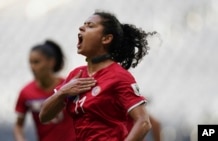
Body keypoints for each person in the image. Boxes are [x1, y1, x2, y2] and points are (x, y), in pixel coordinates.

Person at [39, 10, 157, 141]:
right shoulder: (76, 75)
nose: (81, 27)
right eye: (84, 24)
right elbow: (44, 116)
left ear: (106, 39)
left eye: (90, 26)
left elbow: (144, 122)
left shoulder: (119, 76)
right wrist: (63, 91)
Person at [13, 40, 76, 141]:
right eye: (30, 62)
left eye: (37, 62)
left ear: (51, 62)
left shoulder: (68, 86)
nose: (32, 67)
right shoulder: (26, 92)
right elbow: (18, 126)